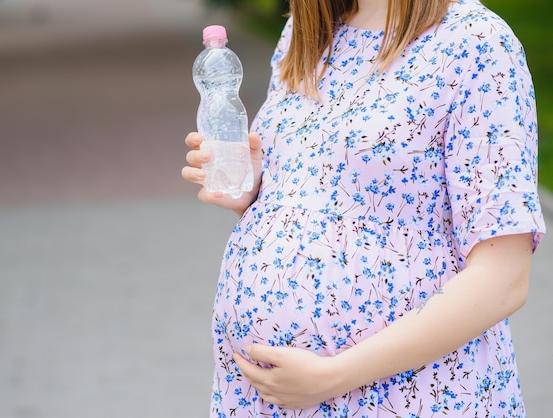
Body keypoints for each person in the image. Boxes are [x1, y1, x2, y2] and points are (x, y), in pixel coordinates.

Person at [182, 0, 547, 416]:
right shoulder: (305, 34)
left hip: (409, 395)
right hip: (267, 399)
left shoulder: (475, 42)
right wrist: (252, 190)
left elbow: (504, 279)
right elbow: (336, 201)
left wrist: (332, 377)